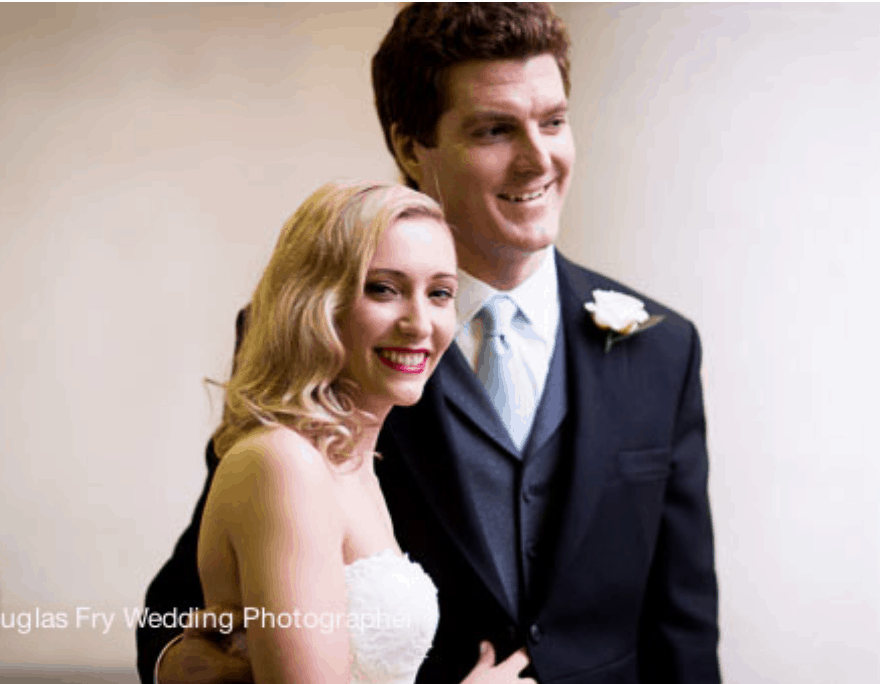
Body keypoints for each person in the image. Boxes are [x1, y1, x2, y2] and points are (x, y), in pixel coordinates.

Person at [138, 4, 721, 684]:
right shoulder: (326, 334)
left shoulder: (663, 346)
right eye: (495, 129)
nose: (539, 159)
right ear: (412, 146)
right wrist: (183, 664)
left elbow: (684, 621)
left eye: (554, 121)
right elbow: (199, 590)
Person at [186, 179, 535, 684]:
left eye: (440, 293)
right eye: (384, 289)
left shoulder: (356, 466)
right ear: (316, 302)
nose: (419, 322)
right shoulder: (283, 462)